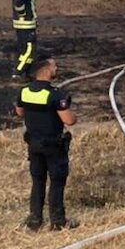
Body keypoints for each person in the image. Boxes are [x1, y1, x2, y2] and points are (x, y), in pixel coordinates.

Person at [14, 57, 78, 231]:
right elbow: (69, 120)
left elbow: (19, 112)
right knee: (57, 181)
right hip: (53, 145)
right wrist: (73, 115)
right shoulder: (56, 94)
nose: (56, 69)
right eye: (54, 66)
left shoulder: (24, 91)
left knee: (38, 181)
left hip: (34, 144)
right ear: (47, 70)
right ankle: (58, 221)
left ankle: (35, 220)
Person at [11, 0, 38, 77]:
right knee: (29, 49)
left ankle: (25, 72)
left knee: (22, 49)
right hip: (26, 24)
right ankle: (18, 72)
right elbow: (19, 0)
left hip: (18, 23)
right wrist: (22, 13)